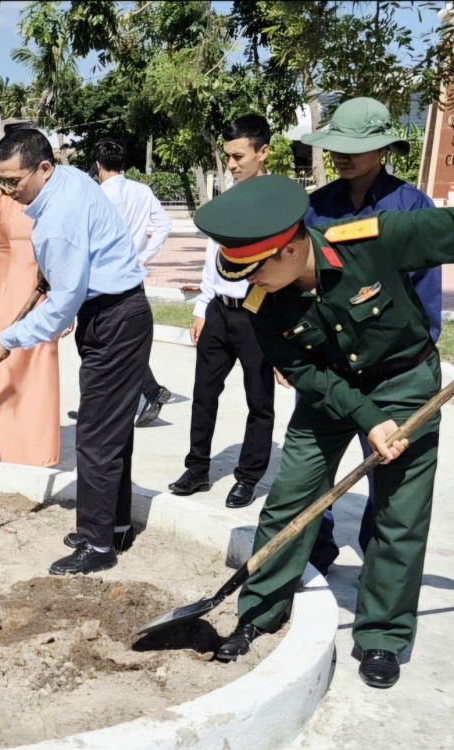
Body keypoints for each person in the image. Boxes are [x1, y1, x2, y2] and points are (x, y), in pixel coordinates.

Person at [195, 175, 454, 688]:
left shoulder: (371, 239)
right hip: (331, 394)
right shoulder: (263, 305)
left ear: (290, 249)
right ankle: (260, 611)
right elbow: (308, 374)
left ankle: (382, 634)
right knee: (290, 499)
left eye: (255, 268)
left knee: (399, 512)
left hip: (404, 381)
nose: (248, 282)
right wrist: (369, 419)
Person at [0, 129, 151, 576]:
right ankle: (112, 524)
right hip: (113, 312)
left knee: (97, 434)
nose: (8, 190)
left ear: (43, 168)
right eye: (1, 180)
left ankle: (98, 547)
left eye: (14, 181)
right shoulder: (71, 180)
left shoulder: (57, 218)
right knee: (114, 430)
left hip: (114, 317)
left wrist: (8, 338)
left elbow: (61, 308)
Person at [300, 96, 443, 572]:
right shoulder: (316, 208)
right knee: (308, 474)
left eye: (353, 147)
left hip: (396, 370)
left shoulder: (411, 207)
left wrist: (416, 365)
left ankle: (379, 594)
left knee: (393, 484)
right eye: (335, 145)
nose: (341, 155)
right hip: (332, 367)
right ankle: (313, 551)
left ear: (383, 149)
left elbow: (425, 294)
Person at [168, 115, 277, 510]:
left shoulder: (277, 203)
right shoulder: (226, 198)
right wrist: (202, 307)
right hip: (219, 311)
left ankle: (248, 478)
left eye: (238, 156)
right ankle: (197, 469)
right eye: (227, 156)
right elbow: (213, 256)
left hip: (259, 315)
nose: (231, 165)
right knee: (204, 395)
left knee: (259, 401)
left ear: (263, 152)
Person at [0, 189, 59, 467]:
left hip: (38, 293)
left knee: (36, 370)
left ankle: (34, 449)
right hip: (1, 291)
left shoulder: (50, 195)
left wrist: (64, 306)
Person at [91, 139, 175, 428]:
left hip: (104, 278)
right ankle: (135, 397)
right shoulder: (142, 190)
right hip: (133, 275)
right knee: (125, 341)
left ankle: (146, 393)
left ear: (98, 165)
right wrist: (144, 256)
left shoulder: (96, 195)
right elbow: (164, 224)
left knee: (106, 344)